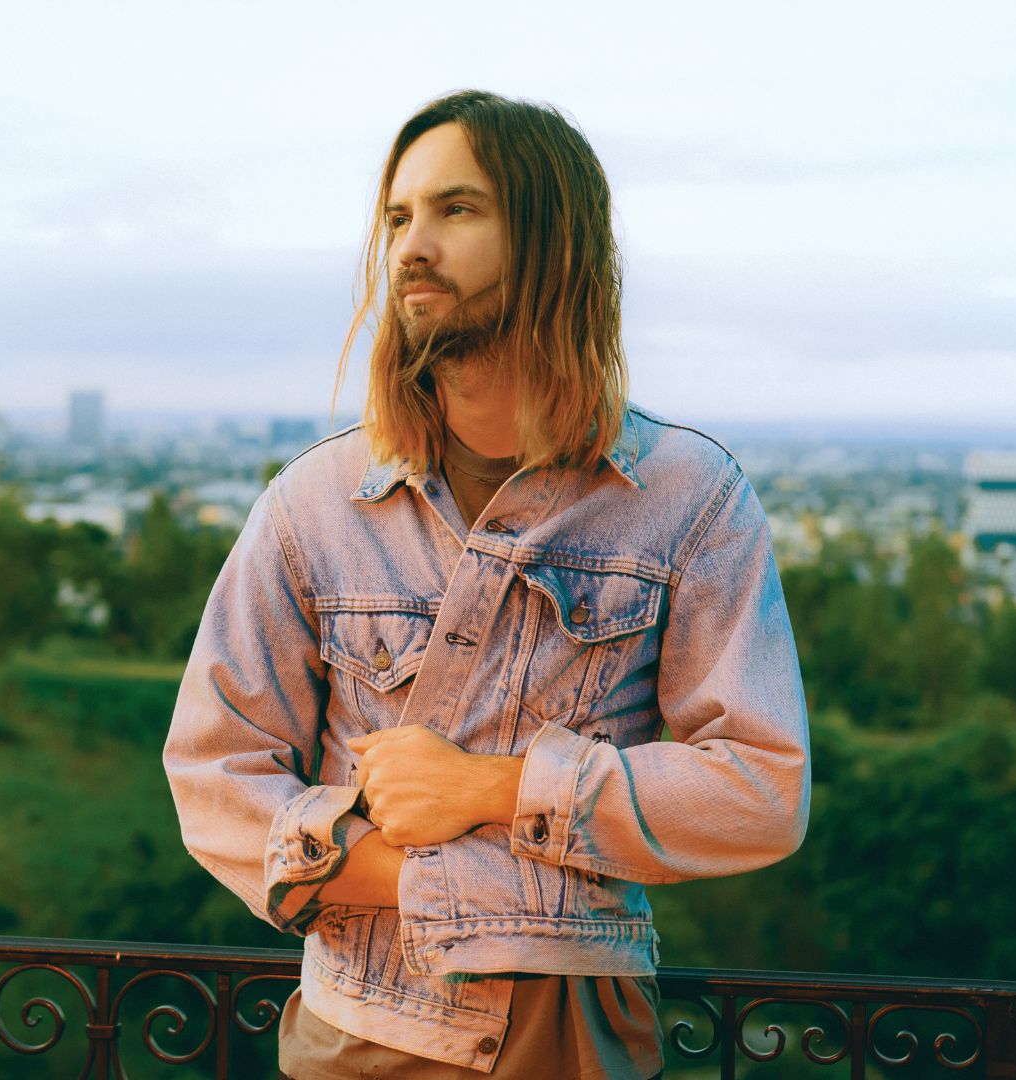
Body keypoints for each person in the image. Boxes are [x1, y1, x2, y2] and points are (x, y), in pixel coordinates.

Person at [163, 89, 810, 1078]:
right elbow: (213, 776)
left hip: (575, 1044)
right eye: (398, 218)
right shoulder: (316, 505)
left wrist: (494, 788)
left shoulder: (687, 499)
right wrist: (433, 887)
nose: (412, 245)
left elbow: (762, 789)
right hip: (360, 1038)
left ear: (553, 240)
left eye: (456, 210)